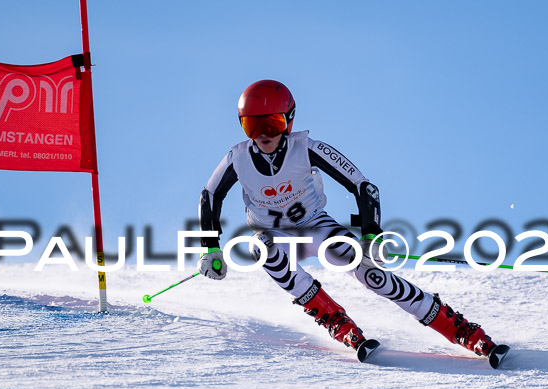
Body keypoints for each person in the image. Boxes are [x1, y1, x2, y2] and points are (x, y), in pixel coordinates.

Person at [197, 79, 509, 366]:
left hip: (316, 226)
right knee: (262, 249)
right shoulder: (237, 158)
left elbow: (363, 187)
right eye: (252, 126)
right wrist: (210, 248)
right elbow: (210, 197)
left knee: (372, 275)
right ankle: (336, 321)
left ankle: (461, 330)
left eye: (272, 123)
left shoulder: (306, 148)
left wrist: (371, 235)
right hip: (275, 235)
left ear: (289, 121)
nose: (263, 135)